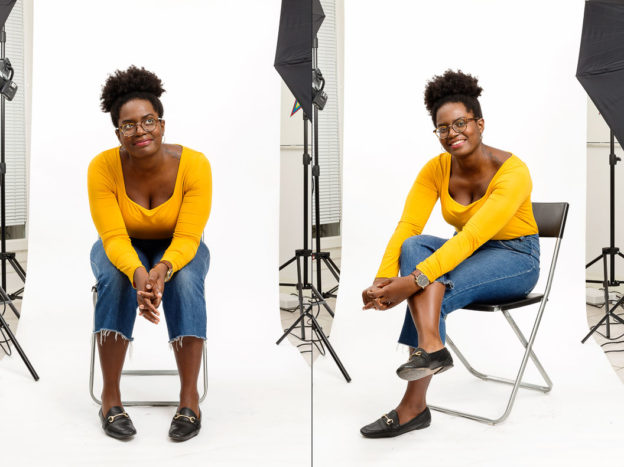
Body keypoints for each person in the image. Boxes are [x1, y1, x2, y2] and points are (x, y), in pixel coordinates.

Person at [359, 70, 540, 438]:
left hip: (516, 259)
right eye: (443, 128)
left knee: (428, 289)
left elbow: (472, 236)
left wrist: (411, 282)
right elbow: (408, 226)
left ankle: (412, 407)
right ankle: (431, 345)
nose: (452, 133)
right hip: (469, 255)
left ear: (480, 123)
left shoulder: (514, 172)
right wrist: (382, 279)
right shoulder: (436, 169)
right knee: (414, 247)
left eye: (461, 123)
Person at [88, 66, 212, 441]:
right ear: (118, 133)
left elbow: (189, 238)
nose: (140, 131)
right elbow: (112, 238)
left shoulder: (195, 165)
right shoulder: (103, 168)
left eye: (148, 121)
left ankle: (189, 399)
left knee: (188, 279)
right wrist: (140, 275)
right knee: (113, 276)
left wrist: (162, 268)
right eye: (129, 125)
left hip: (177, 247)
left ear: (162, 123)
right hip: (123, 245)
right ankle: (110, 398)